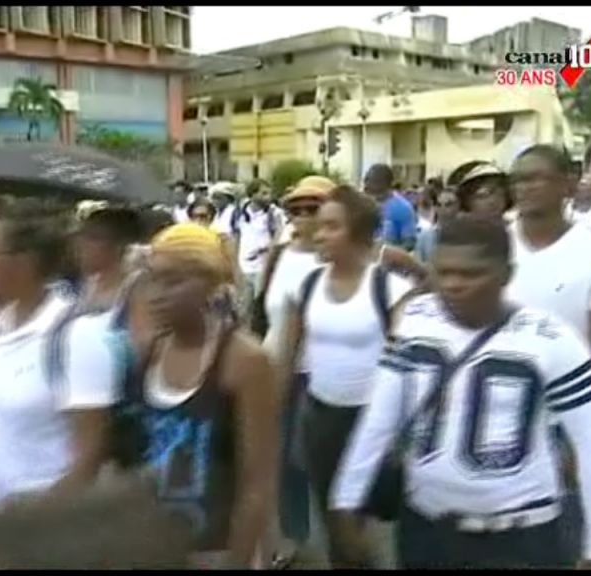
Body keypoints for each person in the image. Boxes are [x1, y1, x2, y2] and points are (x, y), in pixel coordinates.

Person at [330, 215, 591, 569]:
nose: (453, 284)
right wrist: (346, 500)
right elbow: (380, 418)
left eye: (470, 274)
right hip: (426, 528)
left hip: (518, 537)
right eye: (443, 272)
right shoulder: (414, 321)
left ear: (506, 275)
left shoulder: (551, 339)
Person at [275, 186, 414, 567]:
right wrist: (275, 412)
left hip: (376, 422)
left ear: (359, 233)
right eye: (318, 227)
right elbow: (289, 357)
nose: (318, 235)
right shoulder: (306, 287)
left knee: (374, 516)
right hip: (321, 419)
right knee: (335, 518)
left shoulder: (389, 289)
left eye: (331, 227)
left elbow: (405, 363)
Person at [128, 222, 278, 568]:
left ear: (211, 284)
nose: (158, 293)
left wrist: (238, 561)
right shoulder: (150, 352)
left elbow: (257, 484)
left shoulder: (245, 361)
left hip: (218, 551)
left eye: (174, 280)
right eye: (152, 278)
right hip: (153, 548)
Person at [0, 202, 112, 511]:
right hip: (2, 511)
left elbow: (90, 457)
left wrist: (38, 521)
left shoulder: (78, 334)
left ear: (25, 262)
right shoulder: (0, 324)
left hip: (55, 525)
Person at [507, 145, 591, 438]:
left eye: (537, 177)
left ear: (567, 185)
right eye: (519, 179)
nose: (525, 187)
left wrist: (582, 425)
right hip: (495, 412)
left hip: (562, 420)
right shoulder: (491, 245)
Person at [255, 175, 329, 568]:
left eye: (313, 208)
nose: (303, 216)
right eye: (296, 209)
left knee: (322, 460)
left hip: (323, 376)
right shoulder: (279, 255)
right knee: (283, 461)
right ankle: (294, 536)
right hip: (276, 367)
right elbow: (262, 315)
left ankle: (343, 538)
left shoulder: (343, 257)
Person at [233, 179, 284, 322]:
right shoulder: (239, 212)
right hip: (244, 267)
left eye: (269, 193)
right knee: (243, 309)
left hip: (263, 266)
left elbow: (279, 236)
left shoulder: (274, 213)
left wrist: (267, 250)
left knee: (261, 307)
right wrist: (235, 263)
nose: (268, 197)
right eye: (264, 193)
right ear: (252, 195)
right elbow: (236, 237)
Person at [364, 164, 416, 250]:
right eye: (366, 179)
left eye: (371, 180)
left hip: (389, 260)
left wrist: (386, 254)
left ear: (384, 183)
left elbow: (409, 243)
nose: (366, 183)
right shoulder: (362, 203)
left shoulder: (402, 207)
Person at [414, 187, 460, 263]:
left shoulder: (468, 238)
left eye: (448, 204)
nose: (443, 209)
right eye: (439, 205)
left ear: (460, 207)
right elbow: (417, 265)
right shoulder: (425, 235)